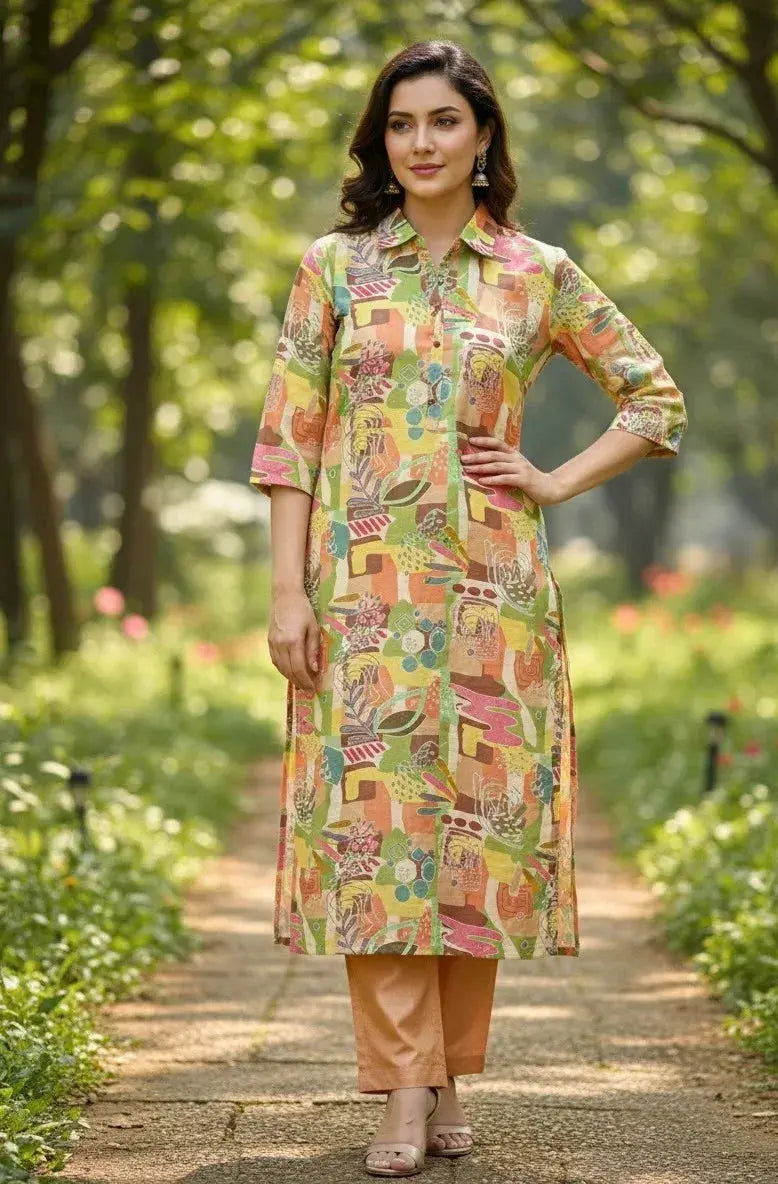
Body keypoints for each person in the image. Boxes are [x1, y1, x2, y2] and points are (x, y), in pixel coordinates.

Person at [249, 38, 688, 1179]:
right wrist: (285, 588)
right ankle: (400, 1089)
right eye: (400, 125)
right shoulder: (336, 268)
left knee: (467, 849)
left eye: (443, 122)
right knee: (374, 843)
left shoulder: (535, 271)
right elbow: (288, 443)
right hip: (359, 605)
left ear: (482, 135)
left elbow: (653, 393)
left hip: (494, 597)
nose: (422, 144)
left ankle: (446, 1070)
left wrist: (550, 479)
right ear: (378, 141)